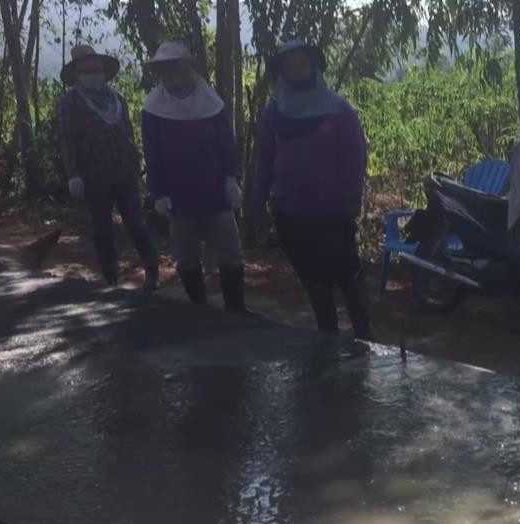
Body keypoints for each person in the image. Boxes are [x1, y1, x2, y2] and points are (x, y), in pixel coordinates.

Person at [253, 39, 371, 339]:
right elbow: (265, 159)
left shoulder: (339, 110)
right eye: (289, 68)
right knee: (314, 281)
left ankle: (365, 342)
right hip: (290, 214)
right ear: (281, 74)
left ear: (314, 67)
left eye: (302, 65)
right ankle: (327, 342)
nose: (296, 73)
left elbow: (356, 158)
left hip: (333, 214)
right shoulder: (274, 113)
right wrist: (257, 203)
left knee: (348, 278)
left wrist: (352, 200)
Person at [141, 41, 249, 313]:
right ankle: (198, 310)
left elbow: (227, 144)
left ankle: (235, 310)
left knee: (231, 252)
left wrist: (232, 178)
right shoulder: (153, 109)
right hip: (178, 195)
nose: (171, 72)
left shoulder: (211, 102)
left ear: (188, 67)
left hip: (215, 190)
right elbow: (152, 153)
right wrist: (159, 192)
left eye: (175, 65)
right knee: (187, 256)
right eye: (165, 67)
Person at [57, 44, 159, 290]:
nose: (93, 73)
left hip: (125, 172)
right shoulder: (70, 103)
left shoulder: (117, 100)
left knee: (136, 222)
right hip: (94, 176)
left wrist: (136, 163)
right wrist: (74, 175)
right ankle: (110, 276)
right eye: (86, 70)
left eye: (96, 68)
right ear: (77, 74)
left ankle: (152, 269)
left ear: (103, 70)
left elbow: (128, 134)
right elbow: (67, 139)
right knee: (102, 228)